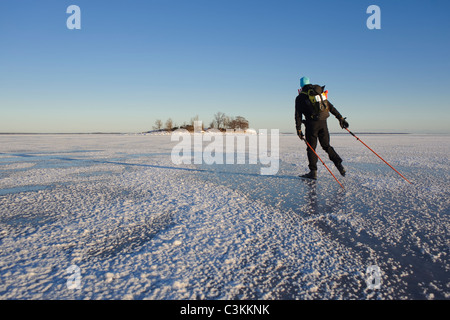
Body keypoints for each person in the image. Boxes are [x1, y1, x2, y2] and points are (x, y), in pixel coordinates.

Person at [295, 76, 349, 180]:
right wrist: (340, 118)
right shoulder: (318, 93)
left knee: (311, 148)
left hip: (311, 125)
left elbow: (298, 115)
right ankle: (339, 165)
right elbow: (330, 107)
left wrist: (299, 129)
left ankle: (313, 172)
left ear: (301, 85)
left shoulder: (300, 97)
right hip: (323, 124)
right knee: (326, 146)